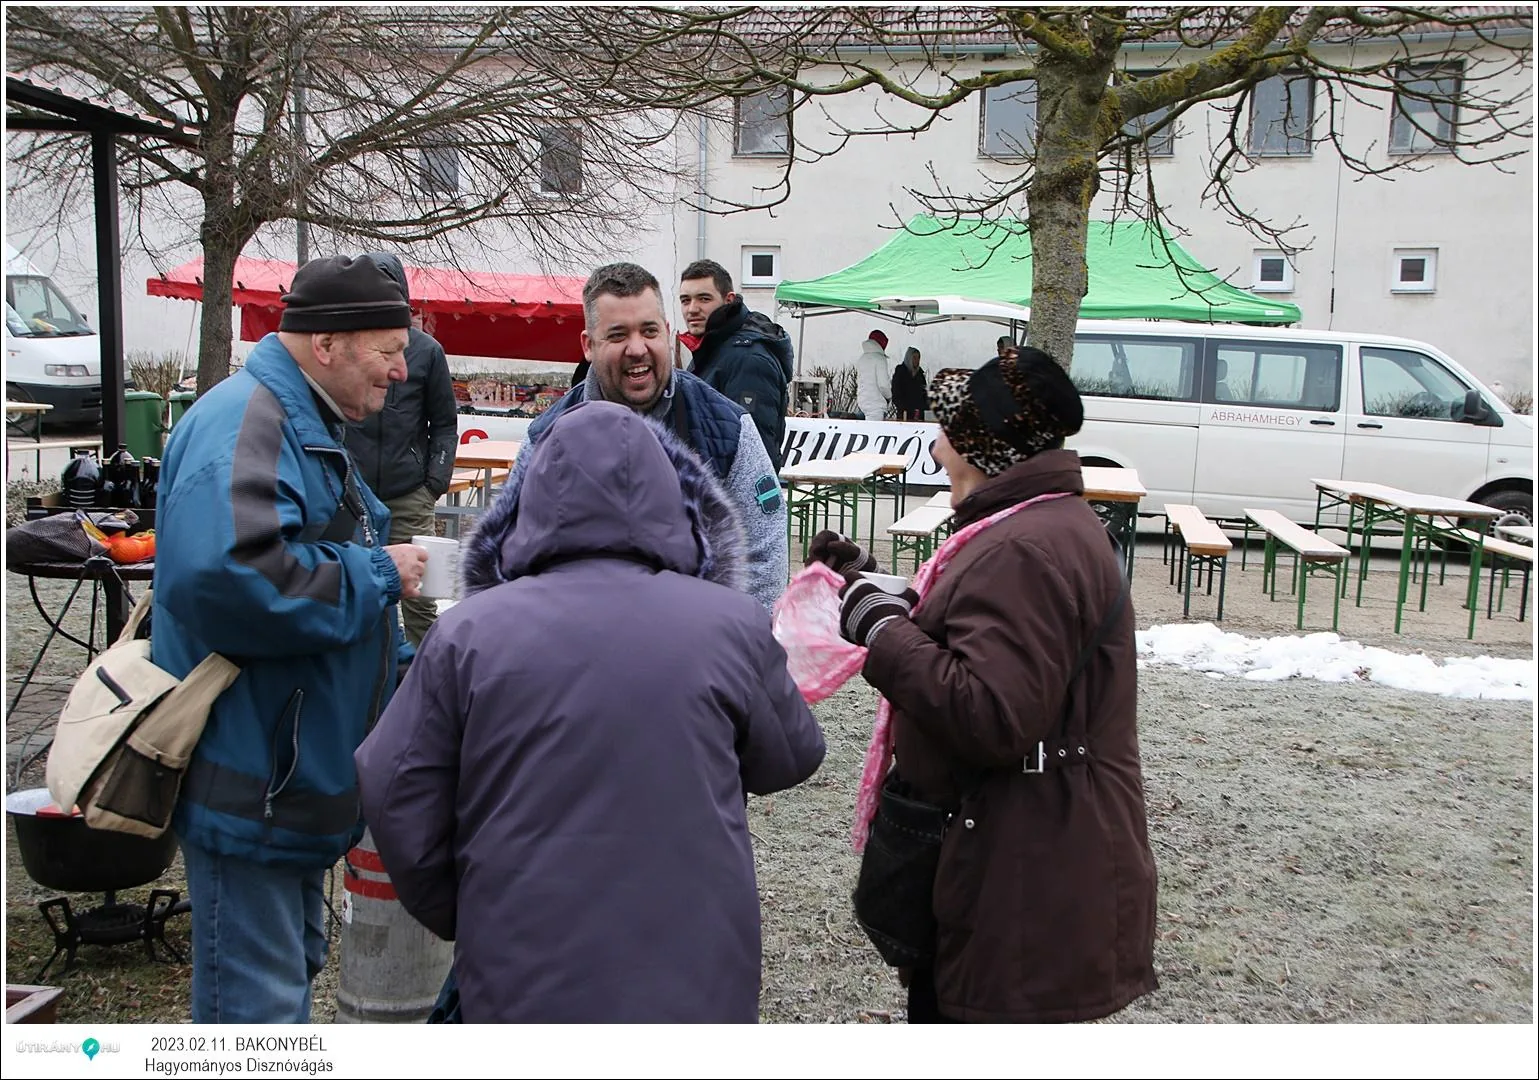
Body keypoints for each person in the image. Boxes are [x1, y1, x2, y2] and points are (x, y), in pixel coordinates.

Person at [356, 400, 826, 1022]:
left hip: (520, 965)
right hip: (695, 967)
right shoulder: (729, 624)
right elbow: (791, 756)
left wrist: (462, 905)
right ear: (671, 496)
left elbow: (392, 788)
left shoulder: (467, 635)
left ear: (533, 498)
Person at [810, 347, 1158, 1024]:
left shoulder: (1022, 549)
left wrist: (883, 631)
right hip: (1024, 854)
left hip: (1018, 876)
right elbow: (979, 637)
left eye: (947, 432)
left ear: (980, 445)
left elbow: (990, 714)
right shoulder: (1036, 527)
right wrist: (869, 585)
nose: (935, 448)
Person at [151, 254, 429, 1023]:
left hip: (287, 787)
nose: (402, 371)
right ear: (326, 345)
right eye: (388, 348)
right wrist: (378, 573)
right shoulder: (249, 424)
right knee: (257, 1011)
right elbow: (235, 583)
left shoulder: (300, 421)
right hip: (250, 786)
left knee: (284, 984)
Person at [514, 262, 788, 610]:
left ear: (667, 331)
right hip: (582, 647)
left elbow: (763, 553)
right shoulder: (544, 439)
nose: (637, 348)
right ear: (588, 344)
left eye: (649, 331)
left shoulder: (728, 429)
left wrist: (733, 647)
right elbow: (515, 557)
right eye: (617, 335)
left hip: (695, 649)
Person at [343, 252, 457, 647]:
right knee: (364, 586)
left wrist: (433, 484)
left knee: (421, 597)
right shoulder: (351, 348)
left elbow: (444, 423)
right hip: (353, 493)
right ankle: (376, 672)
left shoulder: (426, 352)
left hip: (409, 493)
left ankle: (431, 674)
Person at [677, 258, 795, 470]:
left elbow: (754, 453)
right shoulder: (712, 350)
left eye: (704, 299)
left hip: (729, 498)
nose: (692, 309)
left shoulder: (748, 359)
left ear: (729, 300)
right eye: (685, 300)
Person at [854, 329, 892, 421]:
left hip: (862, 403)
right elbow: (883, 385)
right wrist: (889, 396)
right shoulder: (880, 359)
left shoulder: (862, 358)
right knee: (875, 432)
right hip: (876, 405)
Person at [890, 345, 928, 421]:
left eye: (918, 358)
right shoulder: (900, 372)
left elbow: (924, 392)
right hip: (904, 413)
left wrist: (923, 406)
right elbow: (896, 392)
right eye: (914, 358)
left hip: (918, 414)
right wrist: (903, 407)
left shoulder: (920, 374)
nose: (916, 361)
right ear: (909, 358)